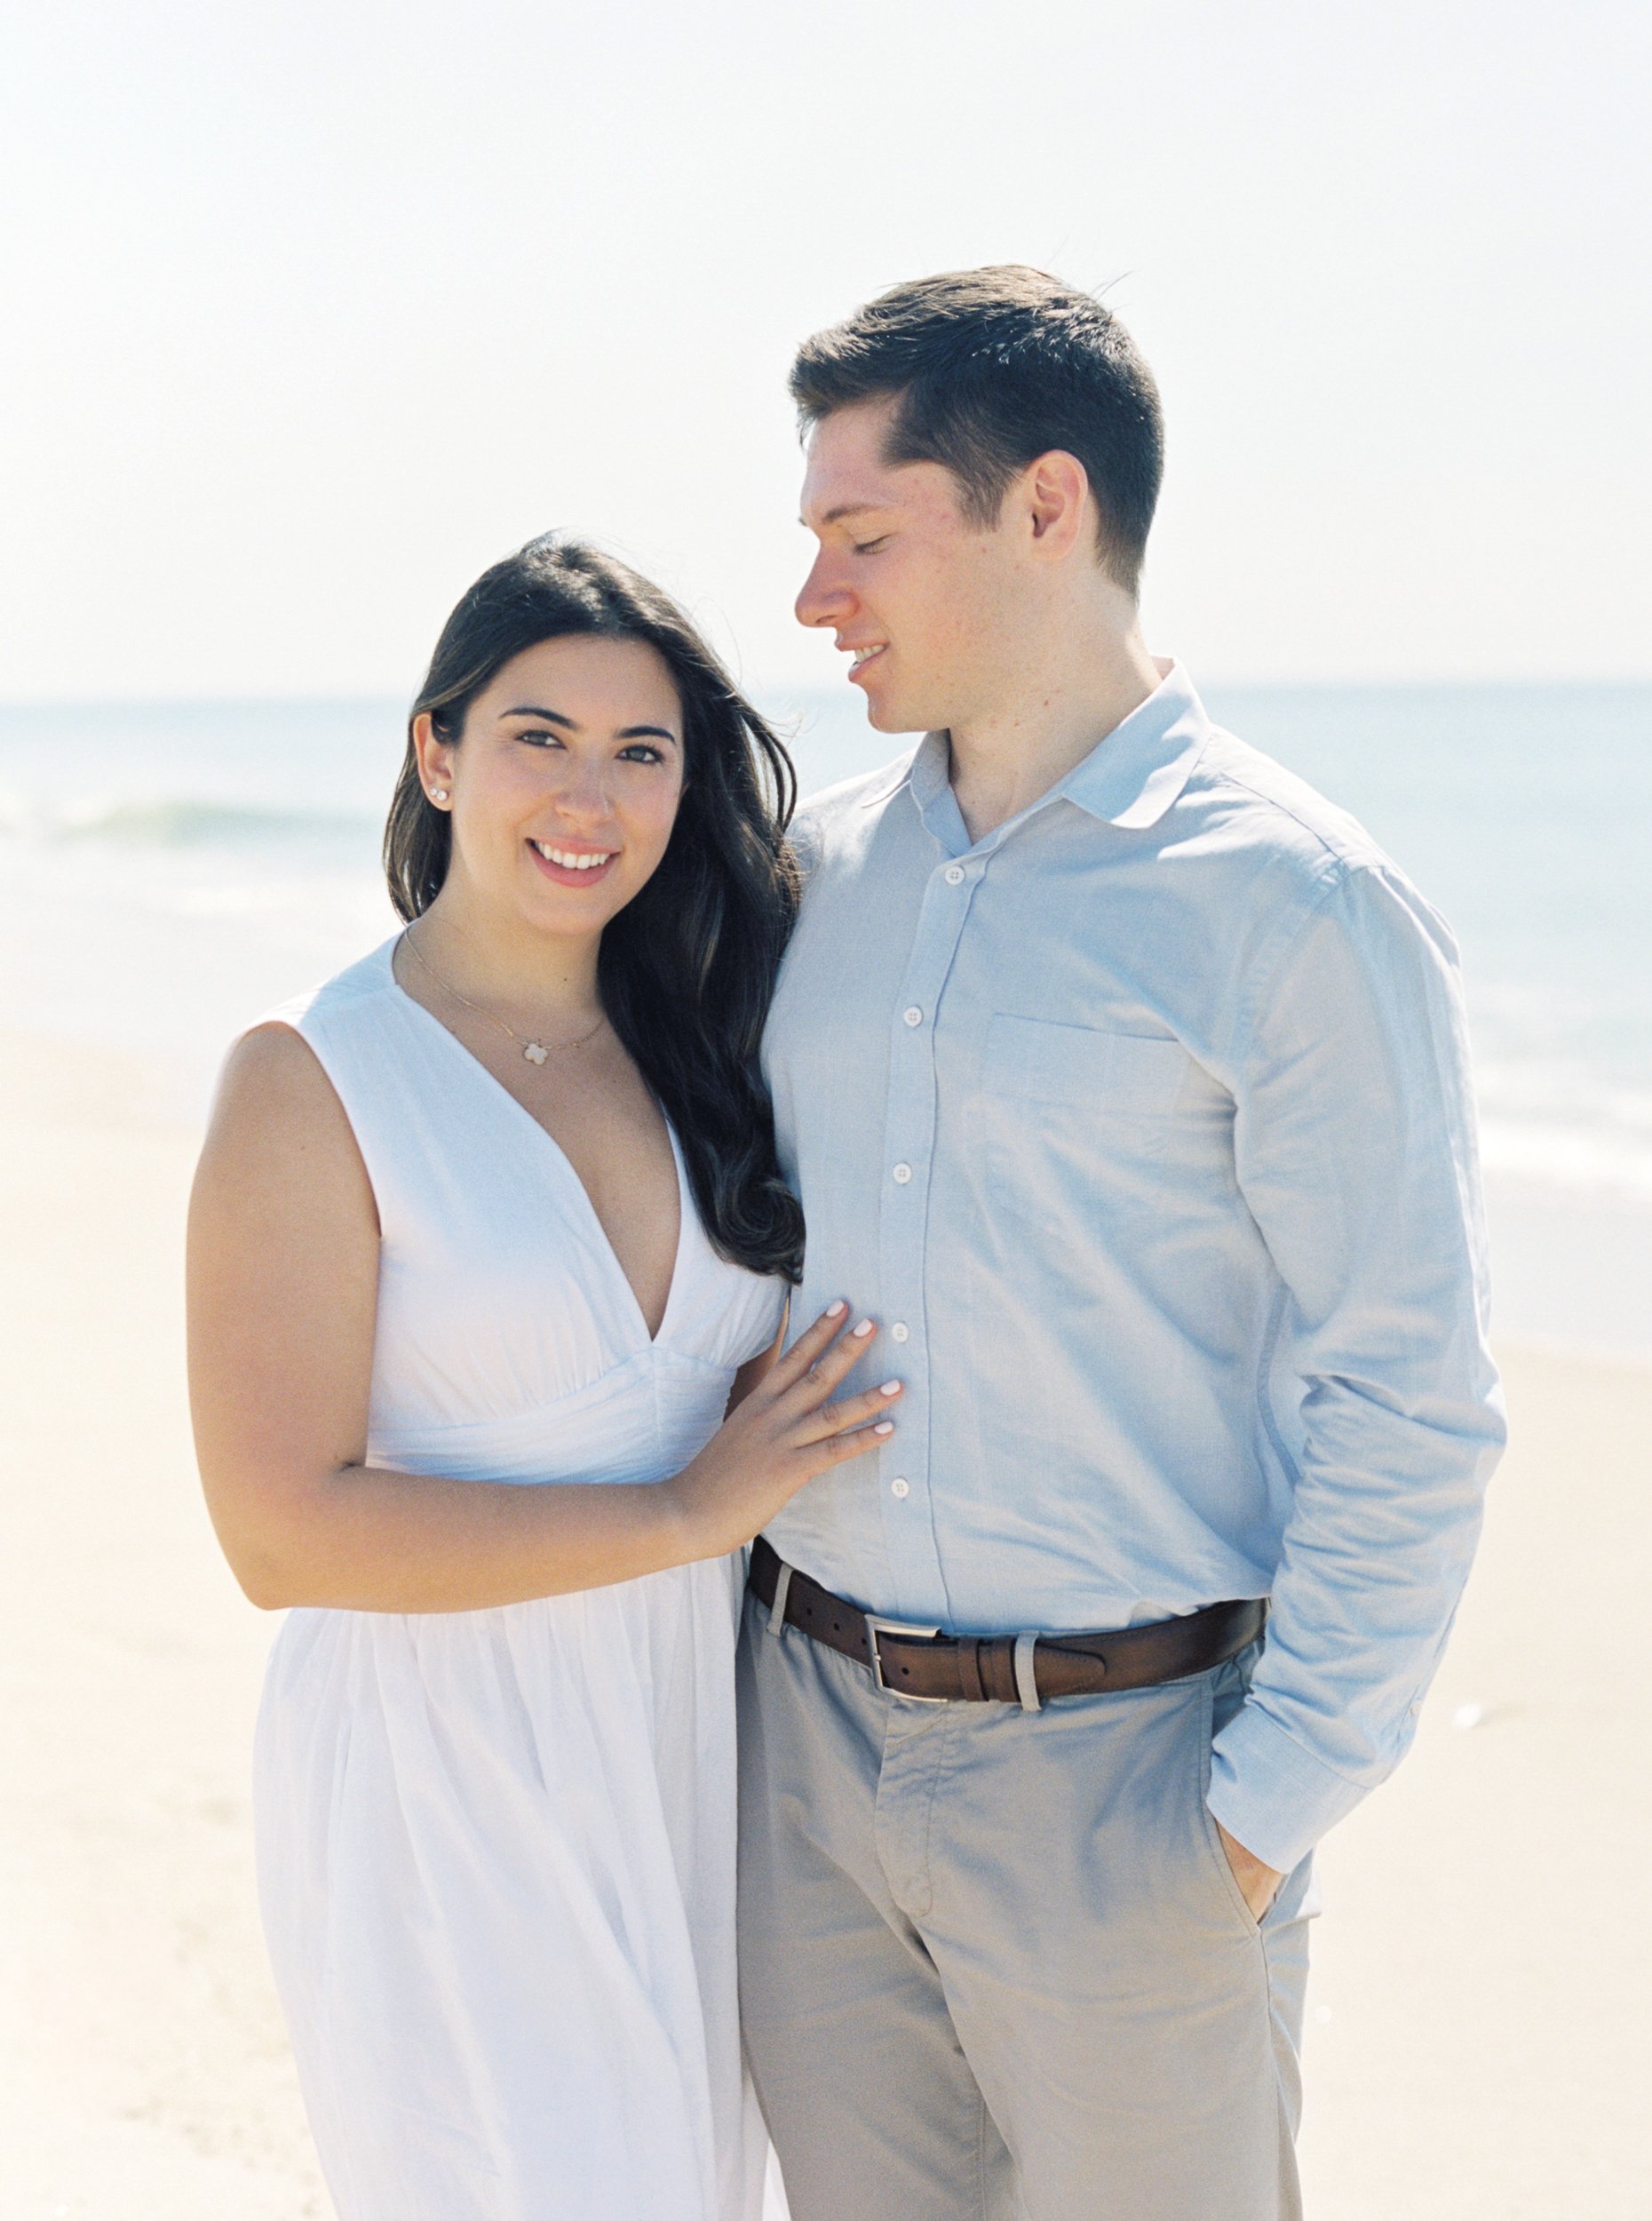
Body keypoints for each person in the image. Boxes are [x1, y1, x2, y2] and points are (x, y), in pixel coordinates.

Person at [737, 268, 1507, 2221]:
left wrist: (1252, 1820)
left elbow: (1409, 1399)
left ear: (1048, 509)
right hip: (805, 1762)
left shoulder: (1297, 901)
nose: (817, 595)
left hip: (1133, 1786)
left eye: (861, 534)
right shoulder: (810, 868)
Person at [187, 534, 899, 2221]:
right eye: (539, 737)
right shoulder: (312, 1075)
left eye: (641, 753)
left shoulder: (706, 1044)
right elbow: (280, 1536)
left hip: (684, 1751)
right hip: (448, 1772)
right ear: (438, 754)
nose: (592, 795)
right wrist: (679, 1506)